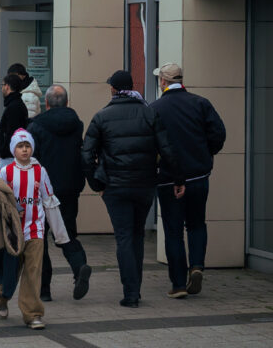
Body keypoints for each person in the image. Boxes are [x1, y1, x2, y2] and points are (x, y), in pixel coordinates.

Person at [82, 69, 185, 307]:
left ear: (113, 89)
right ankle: (134, 289)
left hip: (115, 186)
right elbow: (167, 149)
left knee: (124, 237)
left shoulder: (102, 116)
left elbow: (86, 155)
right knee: (137, 235)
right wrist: (178, 179)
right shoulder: (149, 113)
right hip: (144, 185)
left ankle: (131, 293)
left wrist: (97, 184)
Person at [149, 62, 226, 298]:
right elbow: (218, 134)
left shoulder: (155, 108)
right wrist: (205, 154)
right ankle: (197, 266)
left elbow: (149, 144)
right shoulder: (200, 103)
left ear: (163, 82)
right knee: (196, 224)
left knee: (173, 231)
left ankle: (178, 284)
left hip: (168, 179)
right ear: (181, 81)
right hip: (198, 175)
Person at [25, 85, 91, 302]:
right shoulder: (76, 124)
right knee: (67, 232)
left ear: (46, 103)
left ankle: (44, 289)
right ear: (67, 102)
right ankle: (79, 266)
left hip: (44, 189)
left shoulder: (36, 126)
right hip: (70, 187)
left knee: (40, 237)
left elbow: (32, 158)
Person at [0, 129, 57, 330]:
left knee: (33, 271)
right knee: (11, 272)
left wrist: (60, 233)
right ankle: (1, 295)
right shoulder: (6, 171)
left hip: (35, 229)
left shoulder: (41, 171)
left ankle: (32, 314)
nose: (24, 150)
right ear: (13, 149)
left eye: (27, 146)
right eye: (20, 146)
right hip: (12, 232)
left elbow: (49, 200)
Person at [0, 74, 29, 163]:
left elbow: (10, 133)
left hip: (10, 156)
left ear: (7, 86)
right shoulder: (15, 104)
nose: (2, 88)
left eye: (3, 85)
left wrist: (2, 153)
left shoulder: (14, 107)